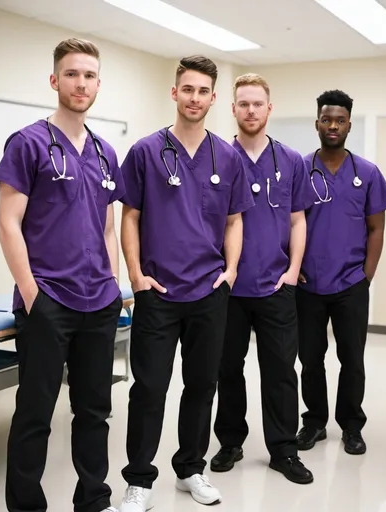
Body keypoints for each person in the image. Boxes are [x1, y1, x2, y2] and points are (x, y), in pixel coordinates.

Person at [0, 38, 124, 512]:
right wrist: (32, 293)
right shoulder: (28, 143)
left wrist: (112, 284)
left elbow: (106, 227)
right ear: (55, 81)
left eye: (89, 75)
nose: (81, 83)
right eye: (72, 74)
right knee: (35, 413)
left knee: (94, 412)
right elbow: (8, 224)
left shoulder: (107, 152)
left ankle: (94, 499)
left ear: (98, 85)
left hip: (98, 302)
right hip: (49, 301)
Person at [118, 55, 254, 511]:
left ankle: (190, 469)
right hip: (158, 294)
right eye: (187, 89)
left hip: (208, 293)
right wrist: (136, 276)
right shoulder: (145, 151)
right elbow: (130, 216)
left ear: (214, 99)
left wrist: (230, 271)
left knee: (201, 386)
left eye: (203, 92)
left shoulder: (227, 156)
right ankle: (139, 480)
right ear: (174, 92)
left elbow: (234, 220)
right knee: (150, 389)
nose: (195, 98)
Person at [210, 73, 314, 485]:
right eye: (243, 104)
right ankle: (231, 442)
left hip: (275, 287)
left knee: (280, 372)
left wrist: (291, 270)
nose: (250, 110)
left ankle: (284, 451)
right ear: (233, 109)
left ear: (269, 109)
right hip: (229, 289)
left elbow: (298, 218)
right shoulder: (219, 157)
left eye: (258, 103)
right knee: (227, 369)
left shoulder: (290, 160)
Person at [295, 90, 386, 456]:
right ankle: (315, 423)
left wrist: (366, 276)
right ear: (317, 123)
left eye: (339, 120)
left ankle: (352, 426)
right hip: (308, 284)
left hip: (352, 283)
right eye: (326, 119)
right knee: (310, 358)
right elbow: (288, 224)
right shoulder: (301, 169)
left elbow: (377, 229)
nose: (332, 125)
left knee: (352, 358)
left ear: (349, 124)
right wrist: (294, 268)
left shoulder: (367, 173)